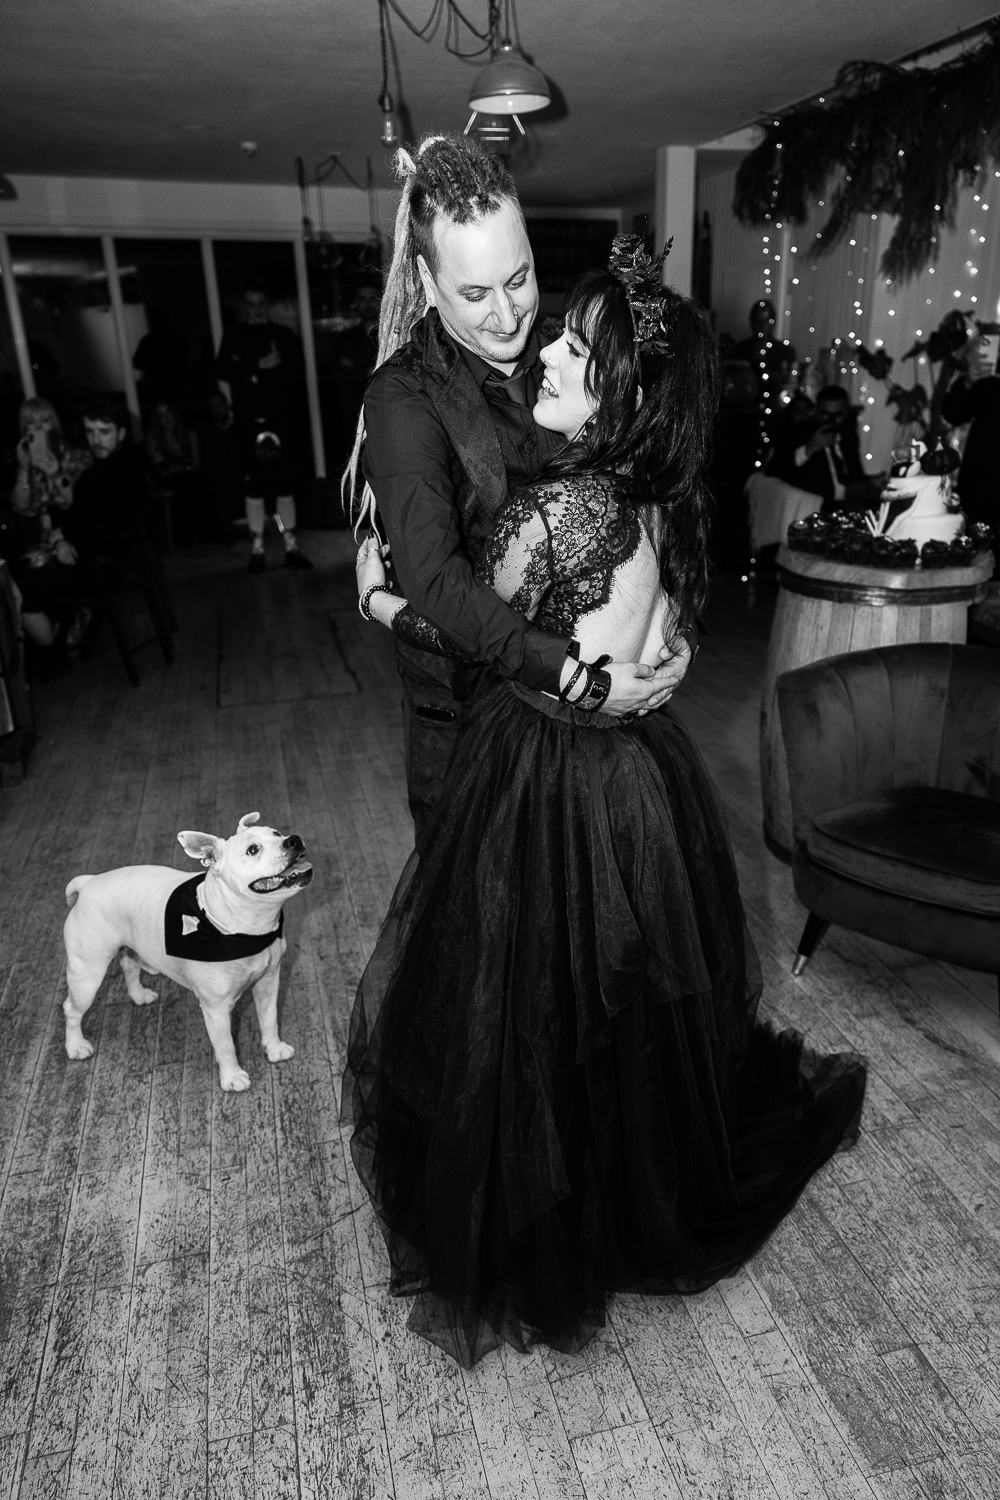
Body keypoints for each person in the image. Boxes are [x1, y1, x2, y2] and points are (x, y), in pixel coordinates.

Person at [341, 242, 868, 1369]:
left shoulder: (561, 508)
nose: (546, 353)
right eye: (562, 335)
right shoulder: (653, 496)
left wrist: (383, 596)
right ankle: (626, 1175)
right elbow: (667, 625)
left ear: (618, 397)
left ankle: (559, 1201)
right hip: (634, 769)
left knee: (528, 995)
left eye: (576, 352)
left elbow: (475, 632)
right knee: (610, 1001)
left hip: (551, 768)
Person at [346, 135, 688, 843]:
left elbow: (646, 498)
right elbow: (437, 580)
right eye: (475, 293)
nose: (508, 316)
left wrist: (667, 628)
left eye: (519, 278)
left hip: (596, 733)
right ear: (426, 277)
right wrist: (573, 678)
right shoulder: (404, 400)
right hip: (472, 716)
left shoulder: (572, 354)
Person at [216, 283, 312, 572]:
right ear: (245, 305)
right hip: (248, 425)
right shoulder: (234, 336)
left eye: (261, 303)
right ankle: (257, 550)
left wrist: (256, 375)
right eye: (251, 303)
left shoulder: (283, 335)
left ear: (266, 305)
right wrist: (256, 367)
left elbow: (295, 373)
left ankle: (291, 548)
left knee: (285, 486)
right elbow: (223, 370)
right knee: (253, 489)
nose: (256, 308)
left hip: (281, 424)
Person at [7, 398, 91, 677]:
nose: (38, 428)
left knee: (30, 582)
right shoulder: (27, 464)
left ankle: (56, 650)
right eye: (31, 423)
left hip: (72, 541)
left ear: (55, 424)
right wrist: (23, 470)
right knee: (15, 578)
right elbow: (20, 505)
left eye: (44, 421)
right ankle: (54, 648)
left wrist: (56, 472)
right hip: (40, 547)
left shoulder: (78, 458)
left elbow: (76, 505)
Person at [766, 385, 883, 509]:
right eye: (825, 415)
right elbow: (773, 471)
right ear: (816, 410)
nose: (831, 421)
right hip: (814, 508)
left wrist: (872, 482)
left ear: (846, 413)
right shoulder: (799, 433)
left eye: (838, 415)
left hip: (847, 505)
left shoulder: (847, 436)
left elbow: (854, 476)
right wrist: (809, 448)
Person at [62, 397, 147, 568]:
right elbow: (77, 512)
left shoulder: (125, 468)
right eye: (90, 432)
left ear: (121, 434)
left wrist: (60, 536)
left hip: (105, 564)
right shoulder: (93, 471)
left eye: (104, 432)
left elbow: (96, 521)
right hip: (92, 558)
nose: (96, 440)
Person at [942, 336, 1000, 548]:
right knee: (978, 546)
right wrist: (969, 382)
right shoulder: (989, 377)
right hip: (984, 479)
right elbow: (953, 413)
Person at [146, 401, 201, 547]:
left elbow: (195, 463)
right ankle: (184, 536)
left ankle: (195, 533)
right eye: (161, 415)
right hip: (169, 479)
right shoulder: (154, 438)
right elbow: (161, 468)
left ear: (175, 414)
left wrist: (180, 468)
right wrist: (182, 467)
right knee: (181, 484)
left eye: (168, 413)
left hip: (189, 477)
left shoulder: (189, 434)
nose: (166, 418)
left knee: (192, 483)